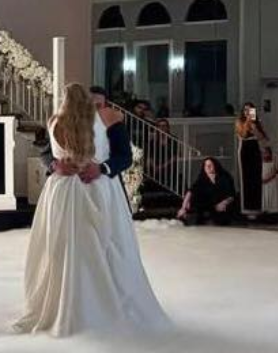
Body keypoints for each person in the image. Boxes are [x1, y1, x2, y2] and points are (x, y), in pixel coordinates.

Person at [16, 83, 168, 337]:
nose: (95, 108)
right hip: (70, 191)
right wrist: (55, 165)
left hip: (93, 189)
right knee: (64, 247)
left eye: (99, 104)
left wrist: (103, 168)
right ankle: (73, 305)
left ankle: (99, 303)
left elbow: (124, 157)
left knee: (106, 246)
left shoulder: (107, 118)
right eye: (92, 103)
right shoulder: (57, 121)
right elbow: (46, 152)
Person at [176, 157, 239, 226]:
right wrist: (183, 207)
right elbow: (190, 192)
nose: (208, 167)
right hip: (210, 205)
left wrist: (223, 203)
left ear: (215, 165)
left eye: (210, 165)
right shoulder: (202, 178)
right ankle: (190, 216)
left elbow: (231, 195)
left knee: (222, 219)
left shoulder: (224, 176)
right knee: (195, 201)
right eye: (206, 165)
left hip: (224, 203)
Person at [235, 102, 269, 213]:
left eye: (250, 110)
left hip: (255, 148)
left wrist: (255, 127)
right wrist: (248, 122)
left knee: (256, 176)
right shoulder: (239, 122)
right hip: (245, 149)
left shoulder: (258, 122)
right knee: (246, 177)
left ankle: (257, 207)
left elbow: (262, 137)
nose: (248, 112)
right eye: (245, 110)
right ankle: (246, 208)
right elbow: (243, 135)